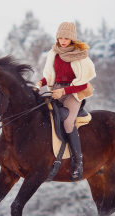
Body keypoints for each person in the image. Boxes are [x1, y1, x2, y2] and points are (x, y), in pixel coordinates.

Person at [35, 22, 96, 181]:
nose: (62, 41)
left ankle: (78, 163)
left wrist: (64, 91)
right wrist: (40, 83)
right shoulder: (53, 53)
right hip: (55, 90)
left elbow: (83, 83)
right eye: (60, 37)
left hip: (73, 93)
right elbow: (49, 75)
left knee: (68, 122)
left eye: (66, 38)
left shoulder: (80, 56)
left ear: (72, 39)